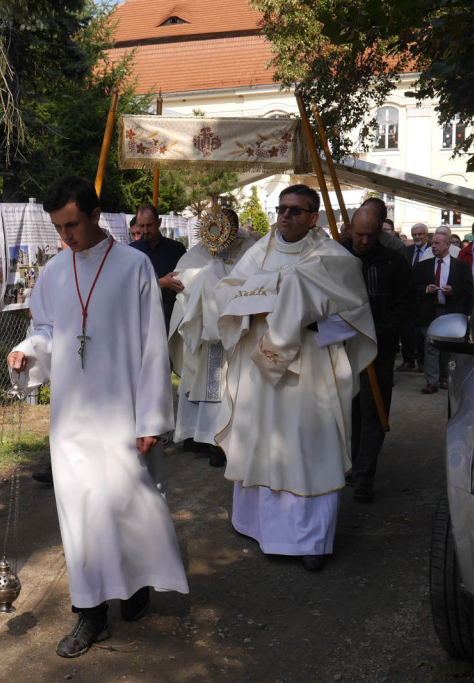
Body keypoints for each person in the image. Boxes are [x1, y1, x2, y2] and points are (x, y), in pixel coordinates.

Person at [7, 175, 188, 658]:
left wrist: (151, 418)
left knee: (128, 505)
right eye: (57, 228)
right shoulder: (53, 271)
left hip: (123, 411)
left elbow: (153, 345)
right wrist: (27, 351)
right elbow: (45, 328)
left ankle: (134, 585)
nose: (65, 237)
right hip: (71, 417)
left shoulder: (134, 267)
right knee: (81, 514)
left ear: (93, 215)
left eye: (71, 225)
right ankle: (89, 614)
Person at [214, 184, 376, 572]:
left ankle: (310, 540)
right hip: (259, 367)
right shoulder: (259, 251)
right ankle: (257, 525)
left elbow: (354, 315)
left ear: (313, 217)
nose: (285, 216)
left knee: (307, 447)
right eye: (281, 208)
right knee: (262, 441)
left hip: (310, 368)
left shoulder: (334, 259)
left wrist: (304, 313)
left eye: (296, 211)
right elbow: (228, 291)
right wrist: (258, 304)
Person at [168, 207, 257, 467]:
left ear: (235, 225)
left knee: (231, 388)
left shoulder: (252, 249)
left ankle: (226, 440)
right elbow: (180, 278)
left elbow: (255, 281)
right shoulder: (197, 254)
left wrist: (222, 282)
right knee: (205, 384)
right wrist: (207, 276)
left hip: (237, 331)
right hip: (204, 337)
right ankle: (200, 436)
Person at [343, 201, 415, 503]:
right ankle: (351, 462)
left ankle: (364, 476)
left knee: (373, 412)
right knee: (348, 412)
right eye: (358, 234)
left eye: (370, 236)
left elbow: (406, 305)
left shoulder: (394, 262)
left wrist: (378, 330)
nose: (362, 241)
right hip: (341, 350)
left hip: (377, 351)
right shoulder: (338, 256)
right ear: (350, 228)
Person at [413, 231, 472, 394]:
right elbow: (414, 287)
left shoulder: (461, 266)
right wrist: (426, 289)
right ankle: (431, 381)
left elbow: (468, 289)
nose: (433, 246)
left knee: (448, 347)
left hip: (450, 311)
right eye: (432, 243)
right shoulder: (423, 266)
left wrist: (453, 291)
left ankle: (445, 378)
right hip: (430, 311)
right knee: (430, 347)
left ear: (447, 245)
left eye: (437, 243)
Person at [130, 204, 187, 332]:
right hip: (143, 321)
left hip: (172, 319)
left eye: (149, 225)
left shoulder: (177, 249)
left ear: (159, 222)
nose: (145, 231)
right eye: (141, 226)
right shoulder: (131, 252)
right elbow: (128, 288)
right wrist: (161, 283)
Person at [397, 223, 432, 372]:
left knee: (422, 331)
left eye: (420, 234)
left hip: (425, 297)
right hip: (408, 297)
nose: (417, 237)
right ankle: (408, 360)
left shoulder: (432, 250)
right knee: (407, 330)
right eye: (414, 234)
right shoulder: (407, 250)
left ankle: (422, 361)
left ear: (426, 235)